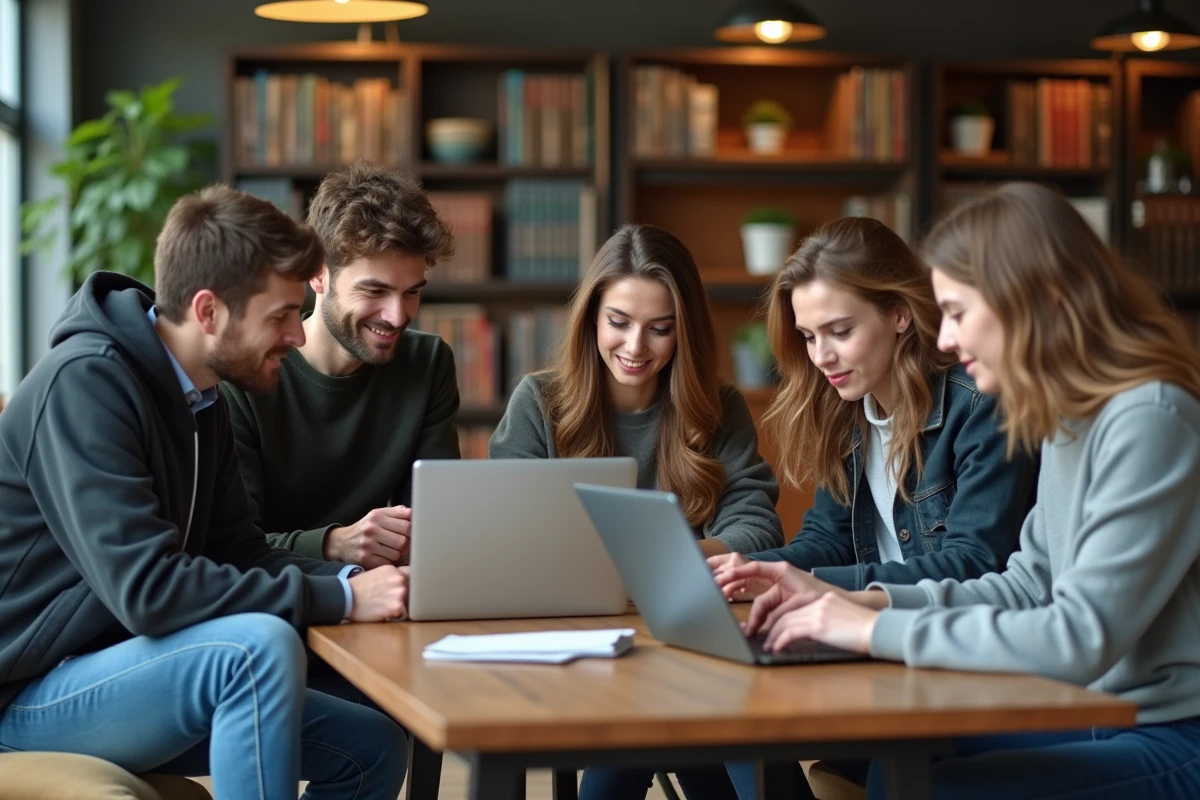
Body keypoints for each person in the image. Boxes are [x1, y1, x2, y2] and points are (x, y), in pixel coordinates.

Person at [716, 182, 1200, 799]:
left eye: (959, 313)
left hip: (1171, 730)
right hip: (1098, 708)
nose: (943, 339)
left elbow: (1079, 635)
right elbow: (1024, 586)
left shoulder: (1150, 418)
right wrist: (866, 603)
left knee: (924, 787)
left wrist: (871, 631)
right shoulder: (1067, 420)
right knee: (894, 768)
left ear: (1041, 301)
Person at [0, 185, 412, 800]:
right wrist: (342, 599)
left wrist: (364, 582)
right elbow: (149, 590)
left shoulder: (201, 398)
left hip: (122, 667)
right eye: (280, 316)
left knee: (372, 746)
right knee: (255, 647)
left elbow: (238, 550)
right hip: (26, 692)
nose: (298, 337)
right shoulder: (83, 385)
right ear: (209, 311)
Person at [711, 215, 1035, 799]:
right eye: (809, 337)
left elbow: (975, 564)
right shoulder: (848, 410)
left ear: (900, 314)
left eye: (839, 331)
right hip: (878, 648)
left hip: (947, 653)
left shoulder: (977, 406)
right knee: (721, 701)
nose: (821, 356)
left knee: (738, 707)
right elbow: (829, 539)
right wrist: (752, 571)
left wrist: (819, 587)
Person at [490, 222, 783, 800]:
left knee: (735, 737)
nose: (635, 347)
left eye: (660, 329)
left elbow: (757, 527)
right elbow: (506, 537)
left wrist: (660, 563)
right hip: (577, 643)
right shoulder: (539, 403)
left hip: (688, 641)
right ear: (592, 319)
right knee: (661, 728)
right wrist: (658, 566)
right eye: (619, 322)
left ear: (684, 332)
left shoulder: (716, 406)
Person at [222, 161, 460, 569]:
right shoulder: (242, 376)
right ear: (318, 274)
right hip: (276, 595)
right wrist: (332, 544)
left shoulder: (429, 362)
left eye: (411, 293)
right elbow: (230, 548)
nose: (397, 316)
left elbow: (431, 527)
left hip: (384, 590)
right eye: (375, 291)